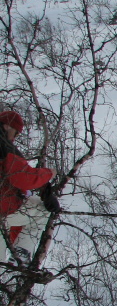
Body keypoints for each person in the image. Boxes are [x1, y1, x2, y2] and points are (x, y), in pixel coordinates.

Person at [0, 110, 58, 265]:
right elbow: (24, 178)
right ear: (6, 126)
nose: (15, 137)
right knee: (41, 210)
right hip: (3, 211)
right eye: (15, 132)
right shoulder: (4, 147)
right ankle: (22, 253)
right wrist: (48, 174)